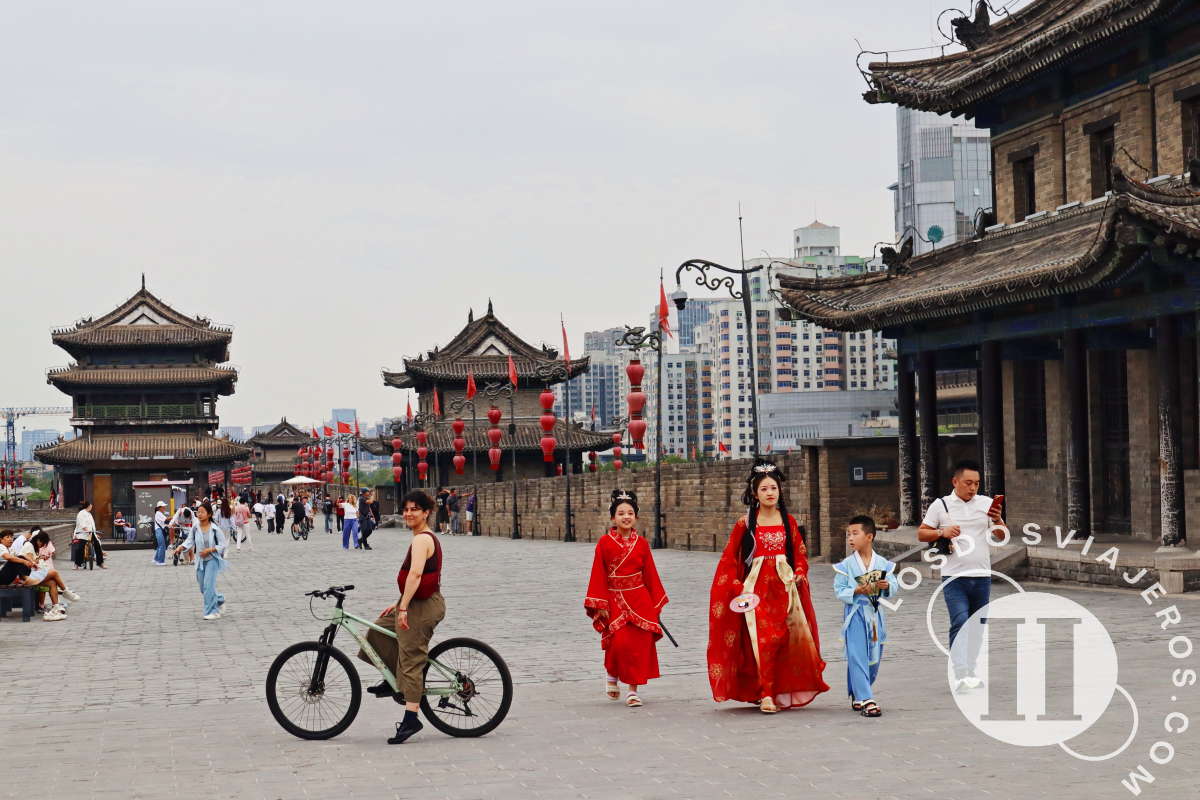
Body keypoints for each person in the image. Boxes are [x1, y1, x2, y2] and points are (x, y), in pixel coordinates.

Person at [707, 459, 828, 713]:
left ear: (780, 491)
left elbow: (800, 552)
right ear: (755, 493)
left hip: (784, 587)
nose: (770, 493)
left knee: (783, 638)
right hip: (756, 588)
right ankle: (766, 694)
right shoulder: (746, 522)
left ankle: (776, 688)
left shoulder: (789, 521)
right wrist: (736, 584)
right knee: (762, 639)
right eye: (764, 489)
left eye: (773, 487)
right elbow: (730, 558)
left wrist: (799, 571)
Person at [357, 490, 445, 745]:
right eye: (406, 509)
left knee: (411, 659)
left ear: (426, 512)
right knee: (378, 630)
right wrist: (397, 605)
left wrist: (403, 607)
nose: (408, 514)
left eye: (414, 509)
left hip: (423, 606)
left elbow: (415, 575)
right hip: (415, 601)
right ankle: (393, 679)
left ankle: (411, 718)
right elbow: (413, 579)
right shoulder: (420, 537)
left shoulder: (422, 540)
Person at [917, 460, 1007, 692]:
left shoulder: (986, 503)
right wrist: (941, 532)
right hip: (954, 576)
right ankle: (960, 674)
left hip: (982, 575)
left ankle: (970, 671)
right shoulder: (941, 505)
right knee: (960, 621)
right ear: (955, 482)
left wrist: (997, 519)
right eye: (968, 483)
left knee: (977, 625)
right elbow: (921, 533)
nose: (973, 488)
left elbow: (1001, 535)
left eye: (976, 483)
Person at [584, 490, 668, 708]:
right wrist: (599, 602)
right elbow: (598, 573)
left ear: (636, 517)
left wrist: (655, 602)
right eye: (621, 513)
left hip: (639, 598)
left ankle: (633, 690)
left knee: (639, 645)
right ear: (613, 517)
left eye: (630, 513)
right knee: (619, 642)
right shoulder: (604, 543)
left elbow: (650, 574)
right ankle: (612, 673)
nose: (626, 517)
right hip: (614, 598)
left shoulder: (642, 544)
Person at [833, 515, 899, 718]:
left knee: (874, 656)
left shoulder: (883, 564)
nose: (850, 538)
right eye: (848, 534)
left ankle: (858, 691)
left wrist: (887, 587)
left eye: (855, 533)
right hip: (855, 614)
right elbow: (839, 589)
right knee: (856, 653)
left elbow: (894, 586)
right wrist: (856, 591)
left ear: (869, 536)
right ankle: (867, 698)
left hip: (875, 615)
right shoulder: (846, 565)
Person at [172, 501, 228, 620]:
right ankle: (220, 599)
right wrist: (180, 547)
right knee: (203, 588)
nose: (199, 514)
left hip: (212, 560)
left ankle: (213, 611)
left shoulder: (215, 529)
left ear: (209, 514)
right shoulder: (195, 527)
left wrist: (210, 550)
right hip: (200, 561)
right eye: (198, 512)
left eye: (202, 512)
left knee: (208, 586)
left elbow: (223, 545)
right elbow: (189, 540)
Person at [71, 500, 101, 570]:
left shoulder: (89, 514)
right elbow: (82, 524)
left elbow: (92, 525)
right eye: (91, 505)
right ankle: (76, 564)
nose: (91, 507)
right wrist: (86, 530)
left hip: (90, 533)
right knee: (80, 548)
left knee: (97, 544)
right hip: (83, 534)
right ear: (88, 506)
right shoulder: (81, 513)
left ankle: (100, 562)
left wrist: (94, 533)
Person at [152, 501, 169, 565]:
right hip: (159, 530)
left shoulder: (159, 513)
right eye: (163, 507)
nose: (164, 507)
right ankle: (160, 561)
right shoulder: (159, 513)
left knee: (160, 545)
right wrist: (175, 516)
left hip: (159, 530)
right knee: (162, 546)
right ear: (160, 508)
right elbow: (166, 519)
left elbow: (163, 523)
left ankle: (156, 559)